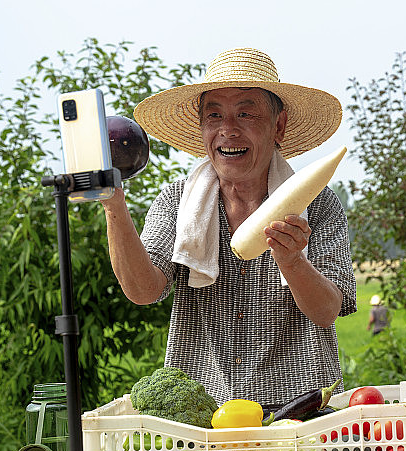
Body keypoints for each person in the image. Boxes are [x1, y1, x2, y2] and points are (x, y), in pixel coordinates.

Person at [100, 48, 356, 409]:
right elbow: (144, 290)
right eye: (214, 115)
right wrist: (114, 204)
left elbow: (327, 310)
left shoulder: (318, 205)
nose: (227, 130)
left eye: (246, 114)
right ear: (202, 127)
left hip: (302, 412)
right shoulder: (177, 202)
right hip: (203, 416)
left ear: (278, 126)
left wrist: (293, 261)